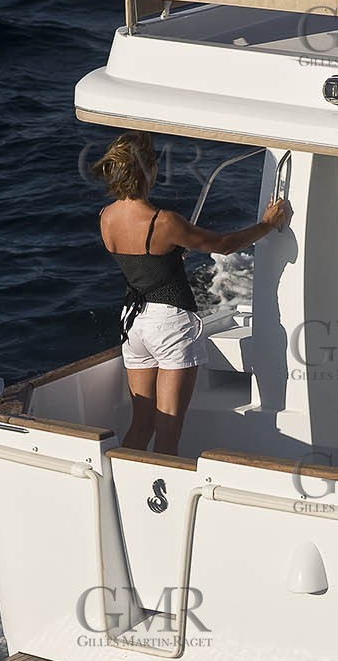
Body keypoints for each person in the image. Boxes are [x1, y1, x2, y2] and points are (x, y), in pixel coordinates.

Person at [93, 131, 289, 454]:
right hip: (169, 322)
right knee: (169, 430)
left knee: (140, 425)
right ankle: (160, 502)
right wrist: (267, 224)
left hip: (134, 324)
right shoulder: (164, 222)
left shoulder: (106, 218)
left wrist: (168, 255)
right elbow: (223, 245)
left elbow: (143, 264)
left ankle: (121, 492)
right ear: (148, 170)